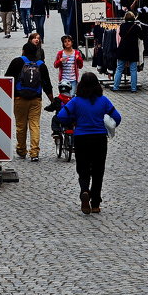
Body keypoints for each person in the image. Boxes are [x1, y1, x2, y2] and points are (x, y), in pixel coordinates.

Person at [56, 71, 121, 214]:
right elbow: (117, 117)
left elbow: (61, 116)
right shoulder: (103, 101)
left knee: (83, 169)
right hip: (99, 139)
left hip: (81, 138)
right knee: (98, 171)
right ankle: (96, 203)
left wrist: (72, 121)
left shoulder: (76, 101)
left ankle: (85, 191)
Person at [4, 46, 54, 160]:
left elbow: (7, 79)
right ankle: (34, 152)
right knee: (35, 125)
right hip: (36, 99)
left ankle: (21, 149)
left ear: (23, 51)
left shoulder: (17, 62)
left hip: (19, 98)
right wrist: (52, 100)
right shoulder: (41, 65)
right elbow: (47, 84)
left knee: (21, 126)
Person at [112, 12, 142, 92]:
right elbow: (142, 37)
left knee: (119, 69)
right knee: (133, 70)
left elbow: (121, 35)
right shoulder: (136, 27)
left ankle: (115, 87)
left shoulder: (122, 26)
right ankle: (133, 88)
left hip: (123, 49)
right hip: (133, 50)